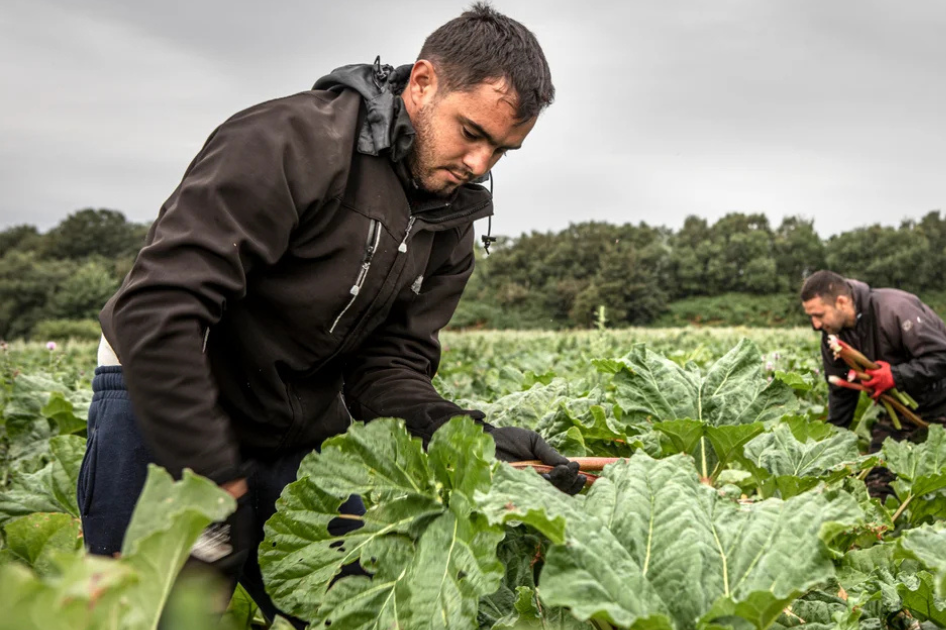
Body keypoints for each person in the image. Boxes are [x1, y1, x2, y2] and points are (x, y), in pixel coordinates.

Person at [77, 3, 583, 621]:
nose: (480, 164)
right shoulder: (290, 142)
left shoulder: (449, 220)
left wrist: (470, 439)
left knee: (343, 605)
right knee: (155, 614)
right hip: (164, 401)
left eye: (502, 150)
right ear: (422, 83)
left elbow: (387, 368)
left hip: (291, 422)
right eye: (472, 133)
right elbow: (158, 309)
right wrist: (210, 469)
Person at [800, 270, 946, 496]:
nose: (815, 324)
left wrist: (895, 376)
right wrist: (827, 448)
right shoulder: (833, 338)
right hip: (902, 408)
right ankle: (882, 527)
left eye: (819, 315)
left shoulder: (894, 308)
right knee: (876, 479)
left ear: (841, 302)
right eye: (810, 317)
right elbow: (841, 396)